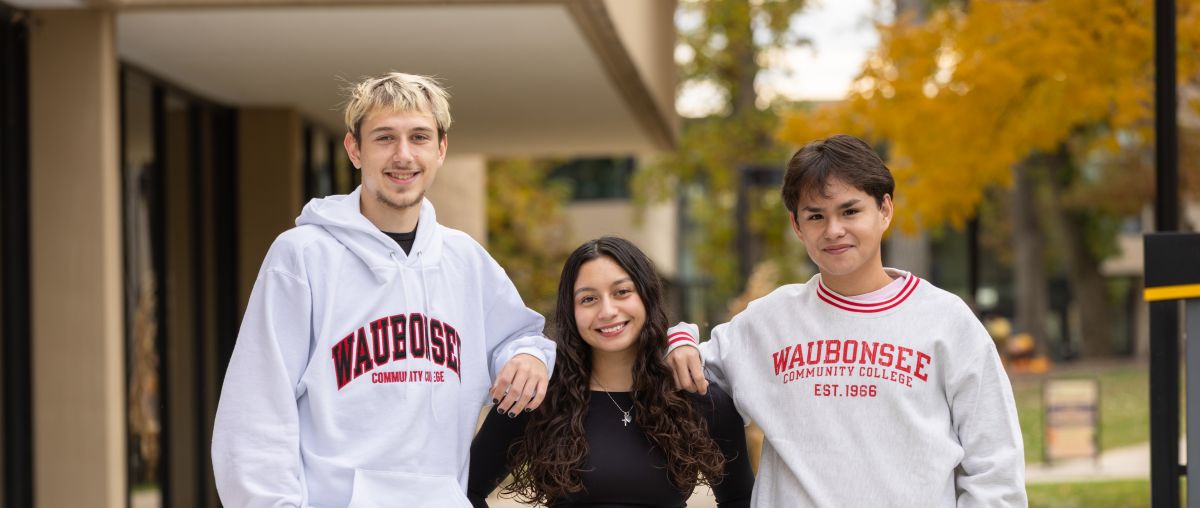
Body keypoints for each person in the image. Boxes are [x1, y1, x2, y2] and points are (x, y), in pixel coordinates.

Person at [211, 72, 555, 507]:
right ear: (355, 149)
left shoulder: (464, 259)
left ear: (441, 149)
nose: (403, 154)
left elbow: (523, 340)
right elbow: (255, 413)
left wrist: (526, 356)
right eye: (384, 138)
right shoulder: (302, 256)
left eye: (419, 137)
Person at [664, 135, 1026, 506]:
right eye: (816, 216)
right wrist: (680, 339)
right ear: (797, 225)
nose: (833, 230)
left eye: (850, 211)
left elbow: (995, 467)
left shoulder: (946, 321)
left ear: (884, 210)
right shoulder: (768, 321)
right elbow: (670, 370)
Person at [468, 236, 754, 507]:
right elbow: (467, 491)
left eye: (622, 292)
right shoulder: (538, 395)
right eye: (588, 299)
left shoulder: (695, 395)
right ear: (571, 311)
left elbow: (739, 499)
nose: (607, 311)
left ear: (646, 297)